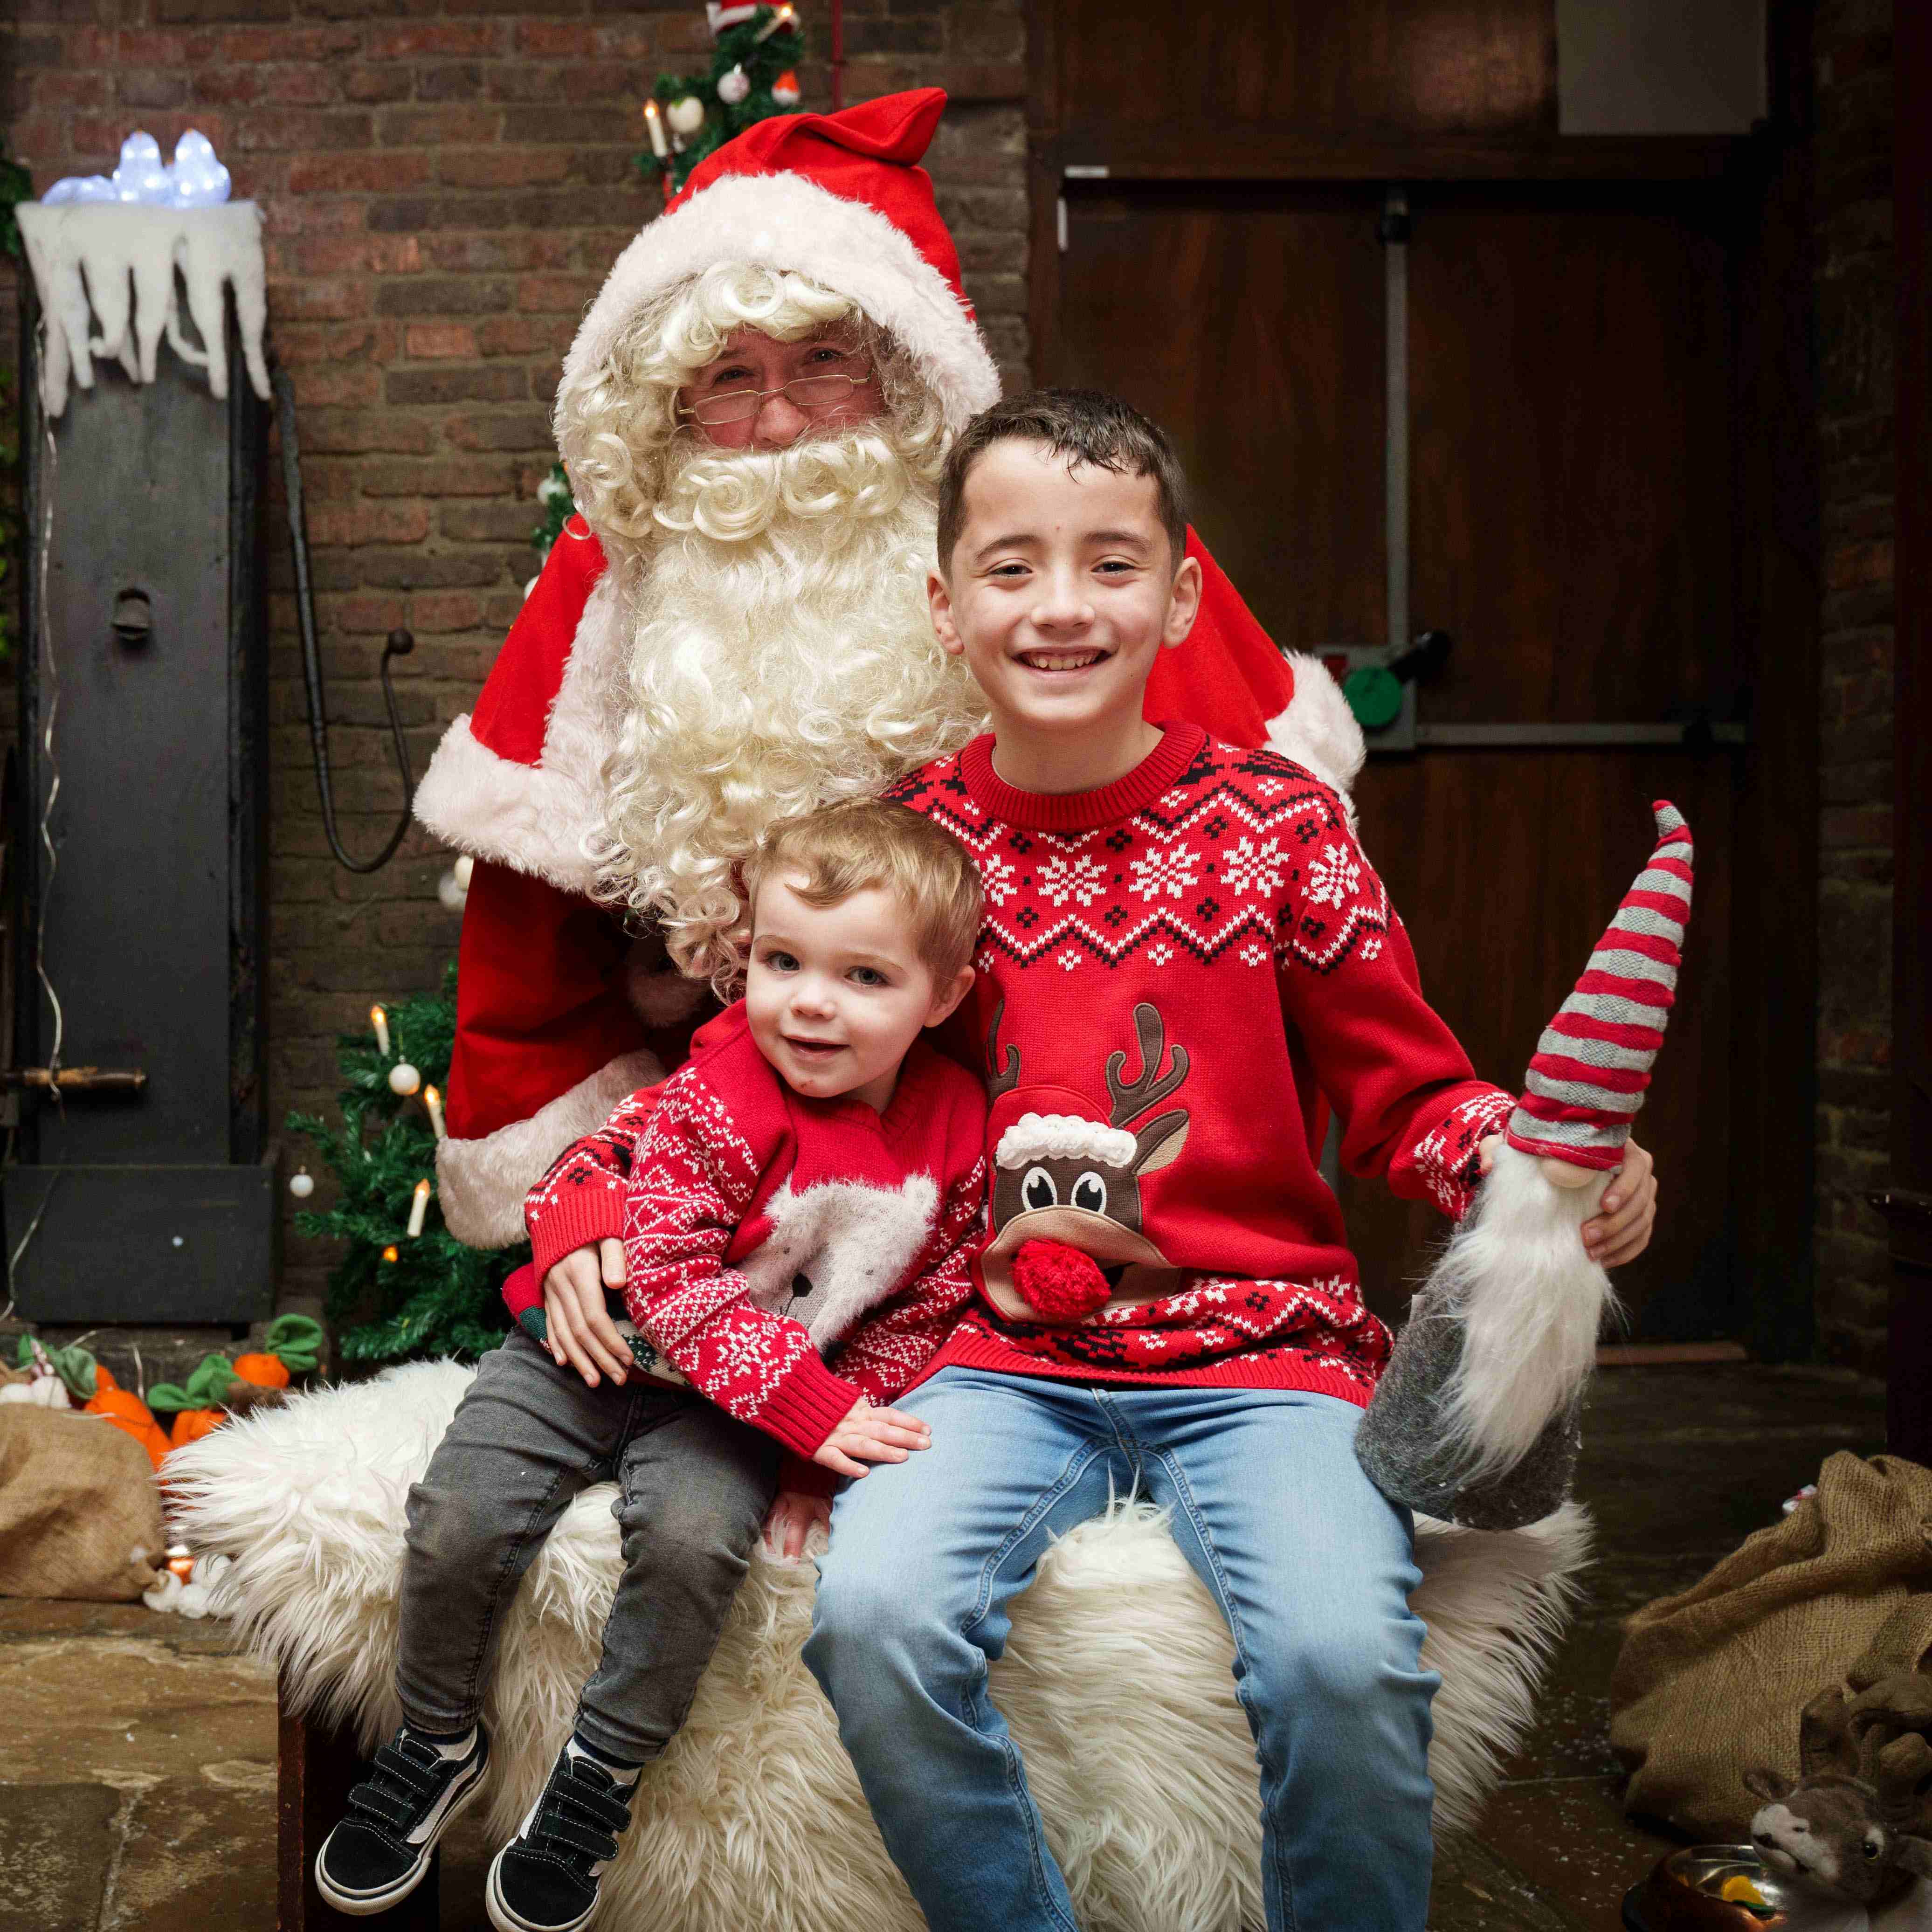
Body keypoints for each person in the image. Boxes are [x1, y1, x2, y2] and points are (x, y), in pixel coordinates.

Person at [792, 390, 1662, 1932]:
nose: (1061, 605)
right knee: (871, 1618)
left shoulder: (1279, 826)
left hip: (1267, 1355)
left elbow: (1408, 1093)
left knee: (1340, 1659)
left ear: (1182, 595)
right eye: (1011, 566)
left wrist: (1534, 1173)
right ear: (945, 605)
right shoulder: (906, 852)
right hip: (987, 1358)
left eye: (1110, 562)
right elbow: (801, 1102)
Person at [412, 87, 1368, 1266]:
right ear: (672, 404)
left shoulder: (1069, 556)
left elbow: (1277, 926)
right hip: (736, 1202)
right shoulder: (609, 596)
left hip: (1063, 1177)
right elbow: (527, 984)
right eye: (728, 377)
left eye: (823, 363)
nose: (776, 424)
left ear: (908, 374)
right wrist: (594, 1210)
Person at [313, 800, 989, 1932]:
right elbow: (668, 1272)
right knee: (457, 1514)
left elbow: (919, 1306)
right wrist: (805, 1401)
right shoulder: (722, 1089)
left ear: (945, 994)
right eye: (781, 962)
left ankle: (599, 1771)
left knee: (690, 1547)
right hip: (585, 1350)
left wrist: (815, 1455)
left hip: (727, 1411)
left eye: (864, 976)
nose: (809, 1001)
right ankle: (435, 1735)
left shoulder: (958, 1130)